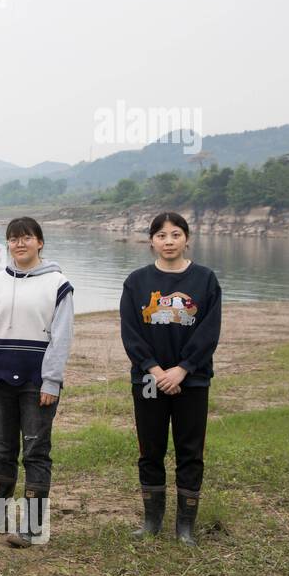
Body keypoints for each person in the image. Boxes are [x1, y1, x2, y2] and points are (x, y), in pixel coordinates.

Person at [0, 217, 74, 546]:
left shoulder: (58, 283)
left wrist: (51, 380)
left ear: (40, 242)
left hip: (36, 382)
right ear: (7, 244)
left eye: (26, 237)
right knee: (2, 450)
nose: (19, 244)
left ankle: (33, 525)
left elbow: (62, 336)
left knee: (36, 451)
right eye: (13, 239)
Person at [120, 211, 221, 546]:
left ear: (187, 238)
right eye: (161, 235)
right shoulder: (136, 282)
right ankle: (151, 522)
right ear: (151, 241)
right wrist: (154, 369)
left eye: (175, 234)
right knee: (151, 449)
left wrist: (183, 368)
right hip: (149, 381)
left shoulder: (205, 280)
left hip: (192, 380)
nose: (168, 241)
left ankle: (185, 527)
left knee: (190, 451)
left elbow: (209, 331)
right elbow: (131, 332)